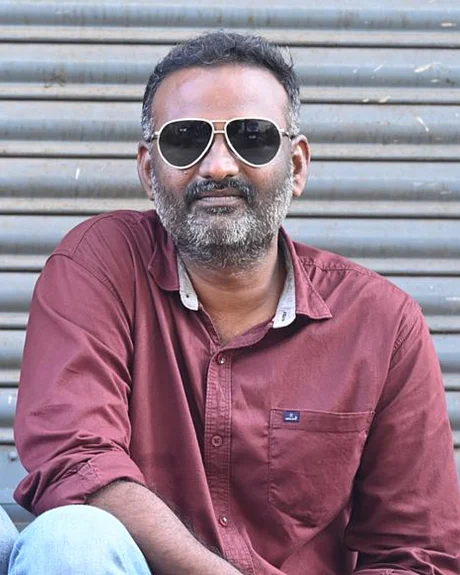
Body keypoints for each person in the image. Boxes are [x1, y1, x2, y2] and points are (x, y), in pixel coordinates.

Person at [7, 31, 460, 574]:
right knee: (71, 538)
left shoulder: (382, 324)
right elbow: (75, 460)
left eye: (252, 138)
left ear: (297, 166)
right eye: (185, 140)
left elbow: (416, 551)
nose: (218, 166)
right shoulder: (100, 266)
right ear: (149, 170)